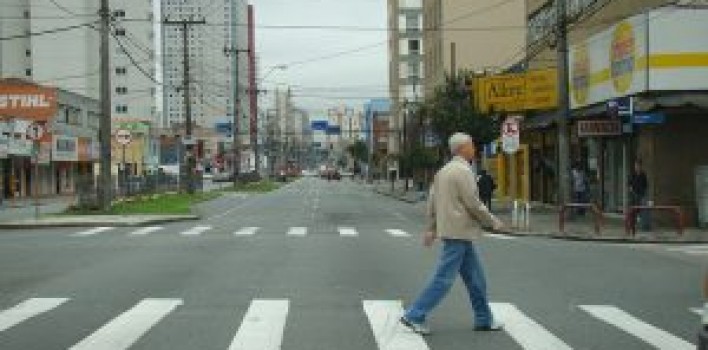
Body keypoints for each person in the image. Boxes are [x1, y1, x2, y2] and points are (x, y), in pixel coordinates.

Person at [400, 132, 506, 335]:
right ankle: (414, 314)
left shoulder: (443, 171)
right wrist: (493, 222)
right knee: (444, 279)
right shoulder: (463, 171)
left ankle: (484, 318)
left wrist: (432, 228)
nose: (474, 148)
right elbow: (473, 203)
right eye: (472, 145)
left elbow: (433, 201)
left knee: (476, 279)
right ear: (463, 149)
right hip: (459, 233)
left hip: (456, 233)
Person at [628, 160, 650, 231]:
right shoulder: (633, 175)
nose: (636, 167)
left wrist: (644, 194)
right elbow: (629, 183)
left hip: (641, 195)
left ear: (640, 166)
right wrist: (631, 189)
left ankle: (644, 226)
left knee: (642, 210)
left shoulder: (643, 175)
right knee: (633, 211)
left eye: (637, 166)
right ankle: (632, 225)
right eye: (635, 166)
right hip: (634, 194)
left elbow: (646, 185)